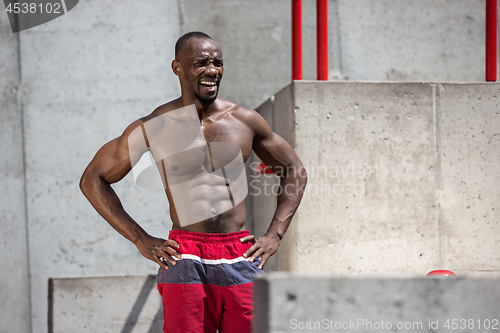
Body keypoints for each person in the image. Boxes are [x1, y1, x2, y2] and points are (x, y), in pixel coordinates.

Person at [79, 31, 307, 333]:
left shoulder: (244, 121)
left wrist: (275, 234)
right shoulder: (154, 126)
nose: (212, 71)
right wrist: (139, 238)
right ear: (178, 68)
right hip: (185, 254)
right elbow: (93, 179)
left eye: (217, 63)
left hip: (239, 253)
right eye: (201, 63)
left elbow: (294, 169)